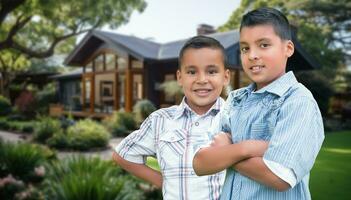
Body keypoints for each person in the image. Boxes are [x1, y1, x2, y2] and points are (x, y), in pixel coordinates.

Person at [112, 35, 268, 200]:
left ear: (225, 77)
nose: (202, 80)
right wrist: (165, 183)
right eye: (192, 72)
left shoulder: (242, 120)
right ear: (180, 77)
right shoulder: (160, 120)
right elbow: (123, 155)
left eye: (212, 71)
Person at [193, 7, 325, 200]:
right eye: (245, 48)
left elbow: (279, 177)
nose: (252, 55)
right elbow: (200, 163)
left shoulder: (298, 101)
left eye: (263, 45)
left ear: (288, 48)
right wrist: (247, 148)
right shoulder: (236, 100)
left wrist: (226, 153)